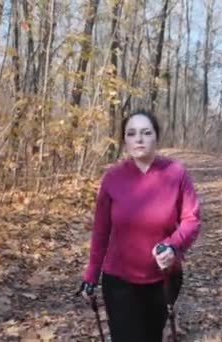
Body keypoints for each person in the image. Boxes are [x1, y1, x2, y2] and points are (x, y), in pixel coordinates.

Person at [78, 109, 201, 342]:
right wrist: (91, 274)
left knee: (150, 337)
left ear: (157, 137)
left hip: (163, 278)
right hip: (119, 281)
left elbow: (191, 219)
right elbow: (101, 231)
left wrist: (172, 246)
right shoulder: (112, 178)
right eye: (132, 133)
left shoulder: (176, 173)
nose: (139, 139)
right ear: (124, 140)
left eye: (146, 132)